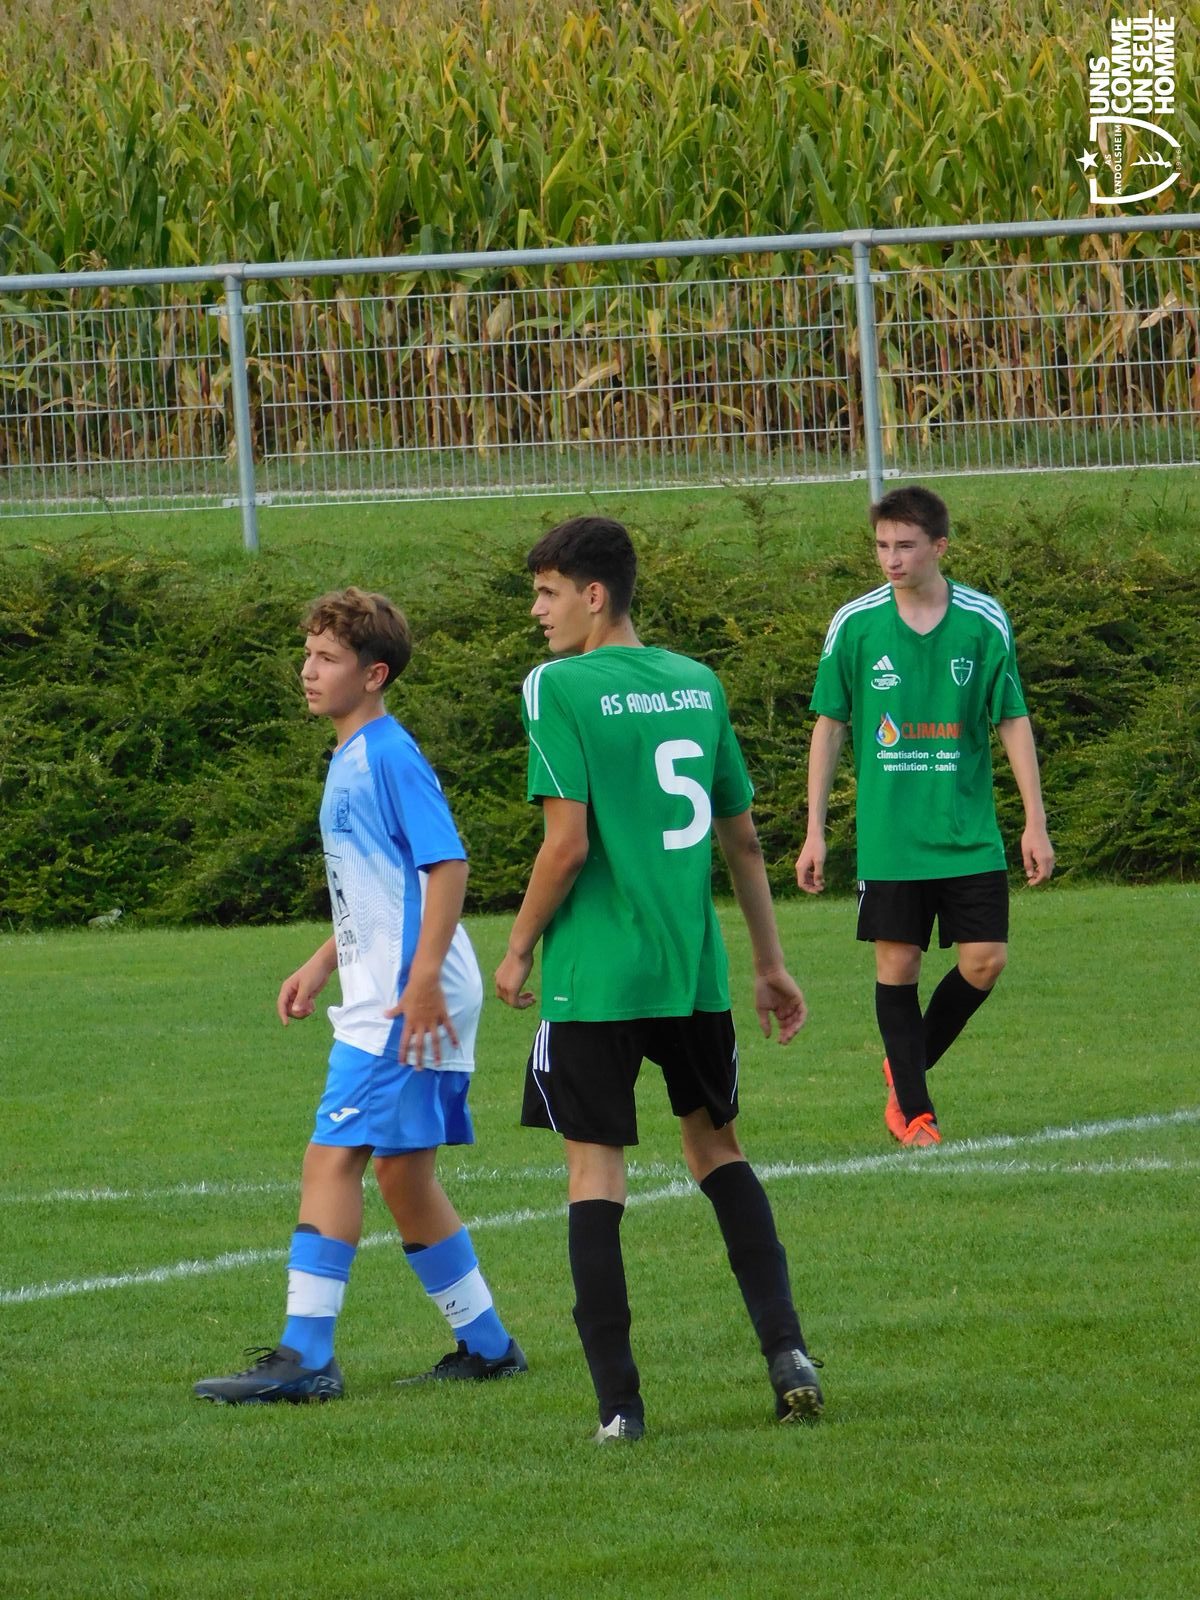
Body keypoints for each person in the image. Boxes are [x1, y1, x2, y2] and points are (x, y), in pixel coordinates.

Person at [494, 515, 822, 1443]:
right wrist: (769, 964)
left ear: (594, 595)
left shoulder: (557, 686)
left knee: (595, 1174)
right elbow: (743, 840)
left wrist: (517, 947)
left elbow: (567, 845)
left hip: (598, 976)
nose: (537, 611)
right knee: (719, 1152)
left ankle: (620, 1409)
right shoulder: (698, 682)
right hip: (692, 972)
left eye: (547, 593)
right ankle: (789, 1354)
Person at [195, 587, 524, 1404]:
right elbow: (379, 888)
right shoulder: (352, 755)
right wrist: (323, 962)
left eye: (327, 658)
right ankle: (489, 1347)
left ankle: (306, 1355)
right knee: (404, 1177)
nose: (308, 671)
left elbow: (447, 865)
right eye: (307, 654)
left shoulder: (387, 754)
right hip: (398, 983)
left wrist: (420, 982)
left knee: (331, 1158)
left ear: (374, 674)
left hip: (407, 994)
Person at [795, 486, 1054, 1147]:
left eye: (906, 546)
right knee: (898, 967)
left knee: (985, 961)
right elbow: (830, 726)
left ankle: (904, 1063)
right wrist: (814, 831)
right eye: (882, 546)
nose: (892, 559)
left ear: (940, 546)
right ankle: (914, 1112)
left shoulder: (982, 620)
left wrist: (1035, 821)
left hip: (967, 832)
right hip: (892, 837)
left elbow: (1012, 720)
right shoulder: (855, 624)